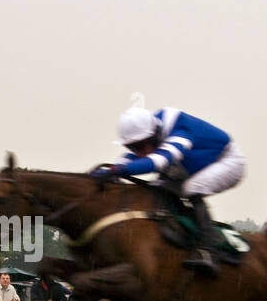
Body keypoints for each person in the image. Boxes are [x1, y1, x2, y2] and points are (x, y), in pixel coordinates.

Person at [89, 106, 245, 273]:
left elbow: (159, 162)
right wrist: (108, 171)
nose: (139, 153)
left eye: (140, 146)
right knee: (157, 189)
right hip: (191, 166)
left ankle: (207, 250)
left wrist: (115, 171)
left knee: (192, 188)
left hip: (228, 162)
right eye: (132, 148)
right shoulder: (150, 132)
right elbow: (127, 161)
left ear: (154, 134)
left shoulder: (179, 129)